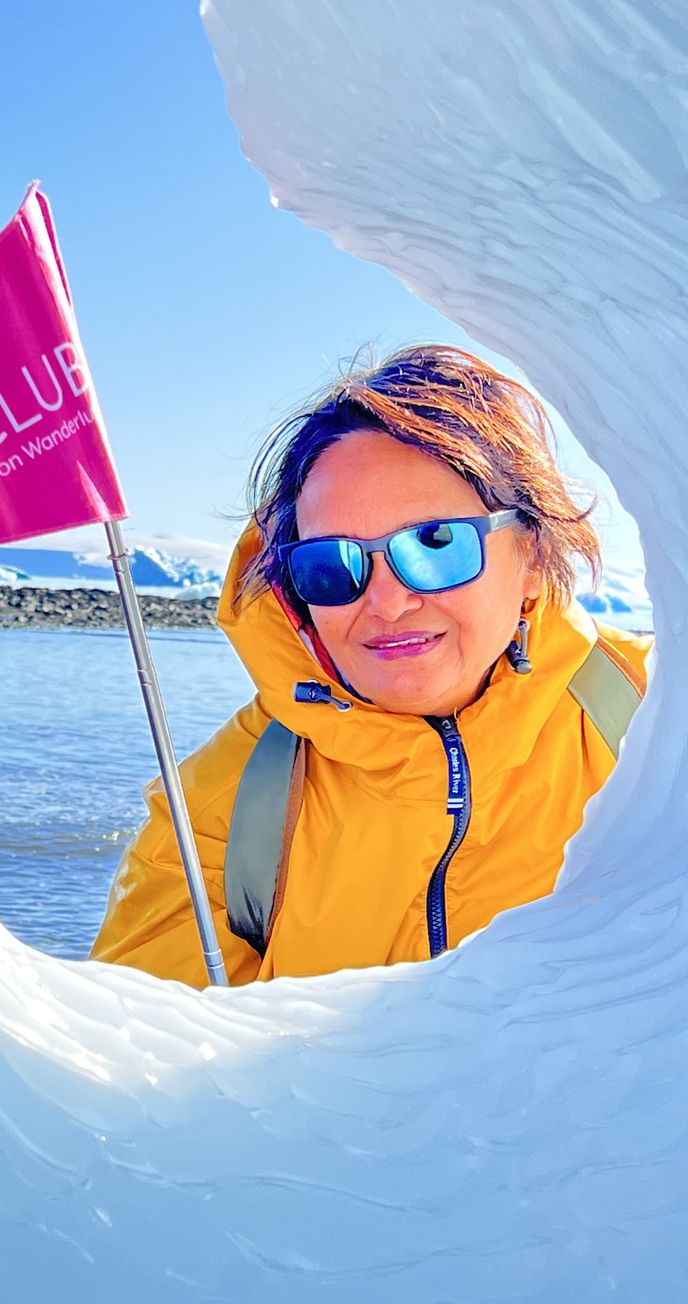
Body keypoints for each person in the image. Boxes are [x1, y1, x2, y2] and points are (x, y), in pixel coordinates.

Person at [91, 345, 651, 986]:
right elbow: (142, 1059)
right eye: (333, 564)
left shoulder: (666, 721)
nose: (386, 602)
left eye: (436, 544)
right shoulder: (230, 804)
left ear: (529, 552)